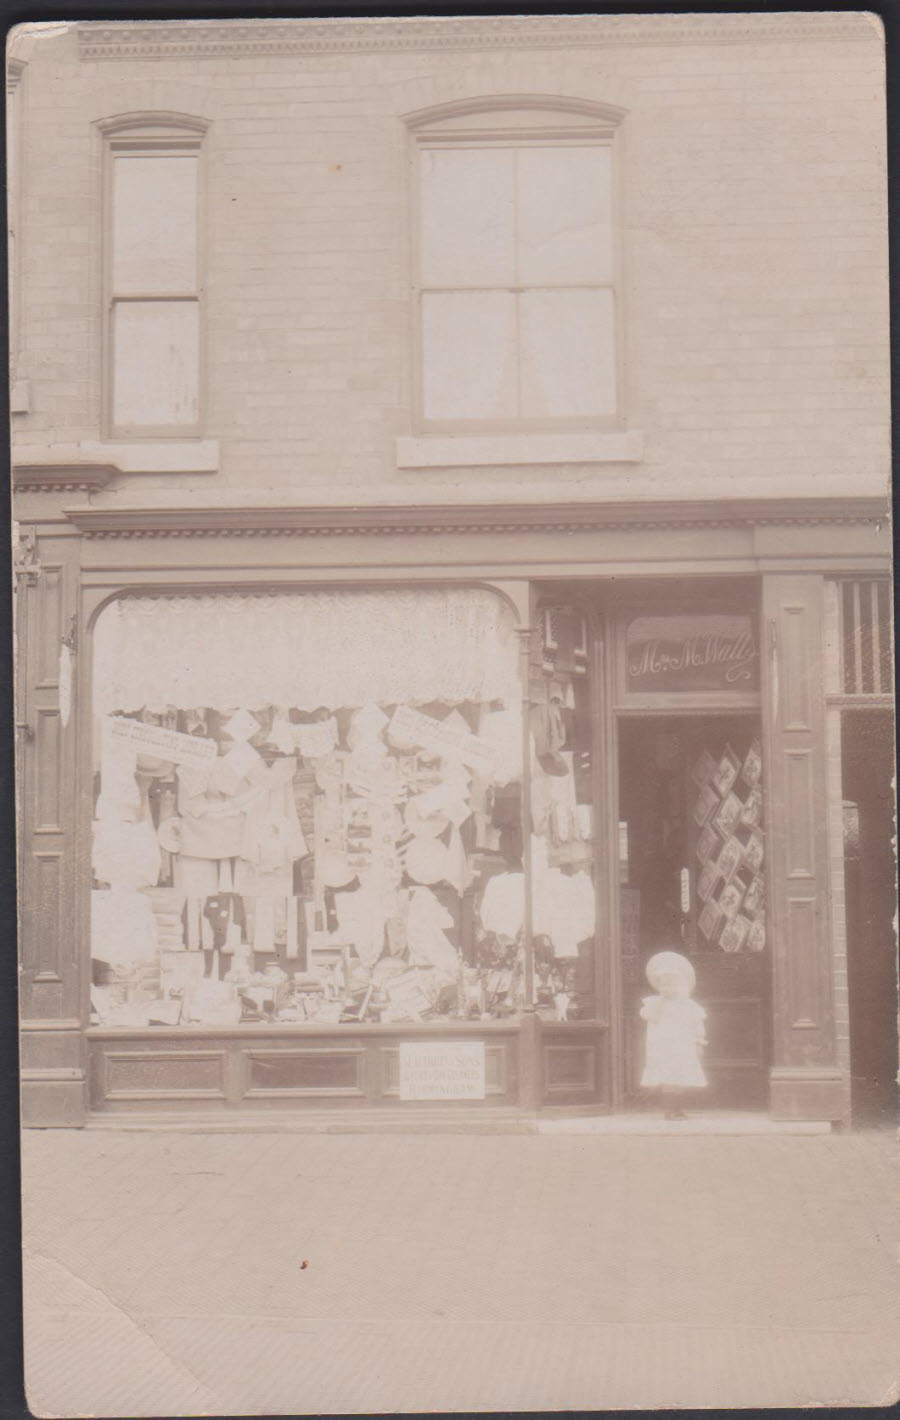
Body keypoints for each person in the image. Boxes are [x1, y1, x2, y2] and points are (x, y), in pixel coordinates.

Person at [640, 950, 707, 1119]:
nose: (668, 989)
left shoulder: (689, 1005)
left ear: (681, 985)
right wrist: (661, 1003)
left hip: (682, 1045)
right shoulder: (654, 1003)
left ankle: (678, 1108)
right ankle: (669, 1109)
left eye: (672, 985)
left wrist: (699, 1043)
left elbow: (697, 1024)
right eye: (663, 985)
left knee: (681, 1076)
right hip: (663, 1046)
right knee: (667, 1076)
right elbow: (650, 1017)